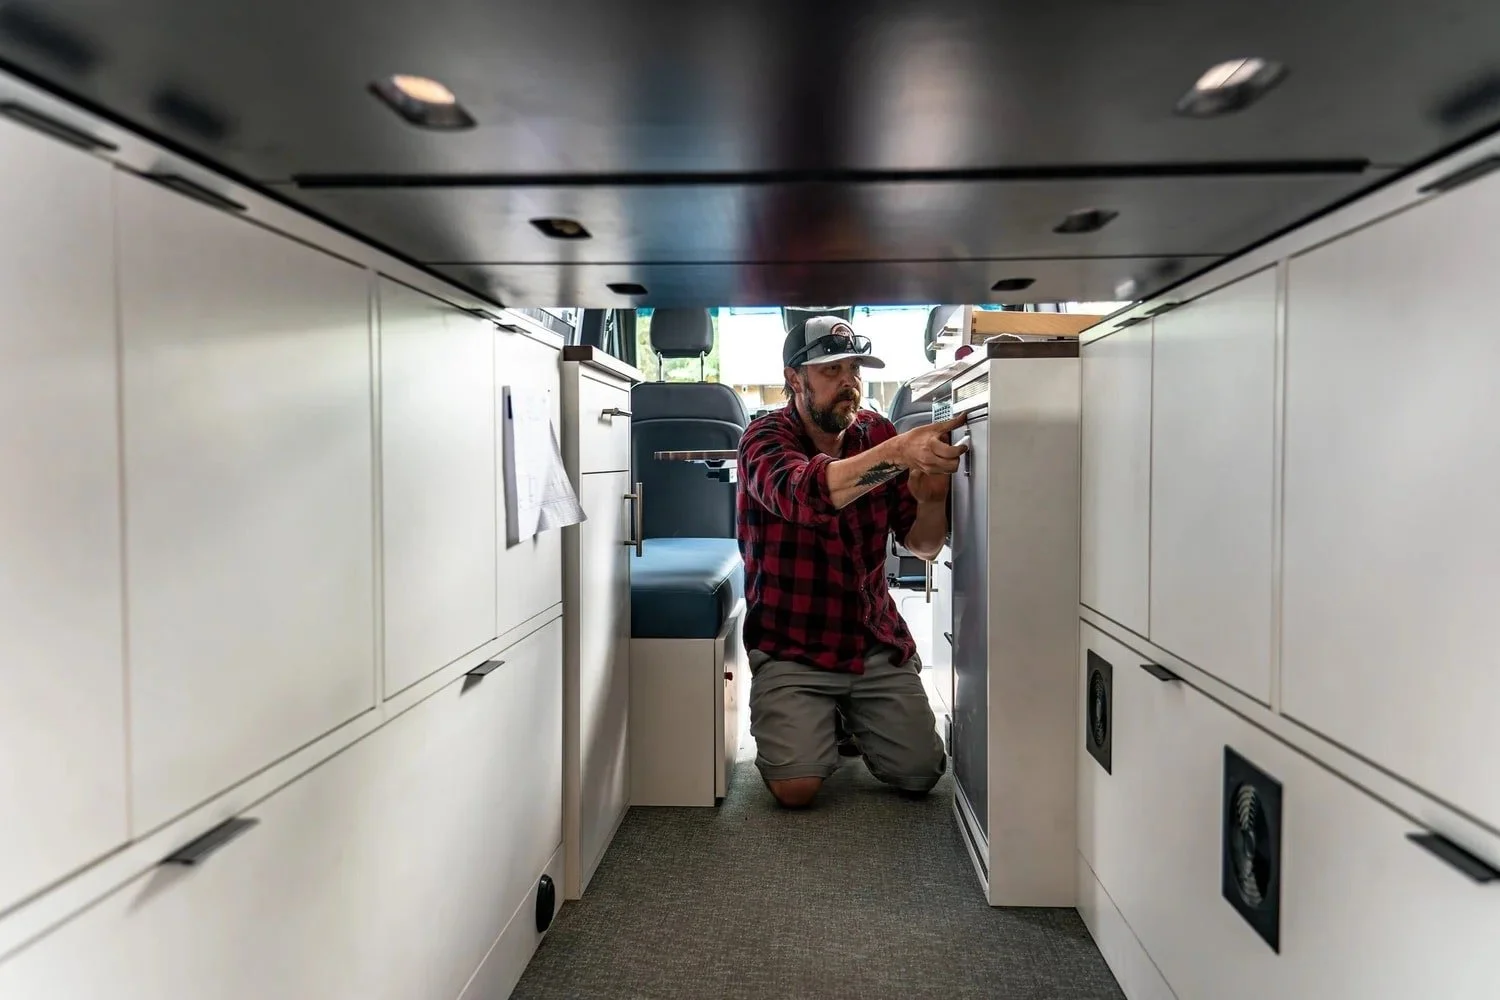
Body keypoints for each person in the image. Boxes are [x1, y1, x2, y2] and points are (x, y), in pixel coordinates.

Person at [735, 314, 969, 808]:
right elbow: (806, 495)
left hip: (870, 640)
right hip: (792, 645)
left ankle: (849, 713)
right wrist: (900, 451)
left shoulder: (877, 433)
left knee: (922, 774)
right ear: (794, 380)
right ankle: (821, 714)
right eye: (831, 370)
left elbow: (923, 547)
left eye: (855, 370)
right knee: (796, 789)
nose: (849, 383)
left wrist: (930, 501)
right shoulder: (762, 440)